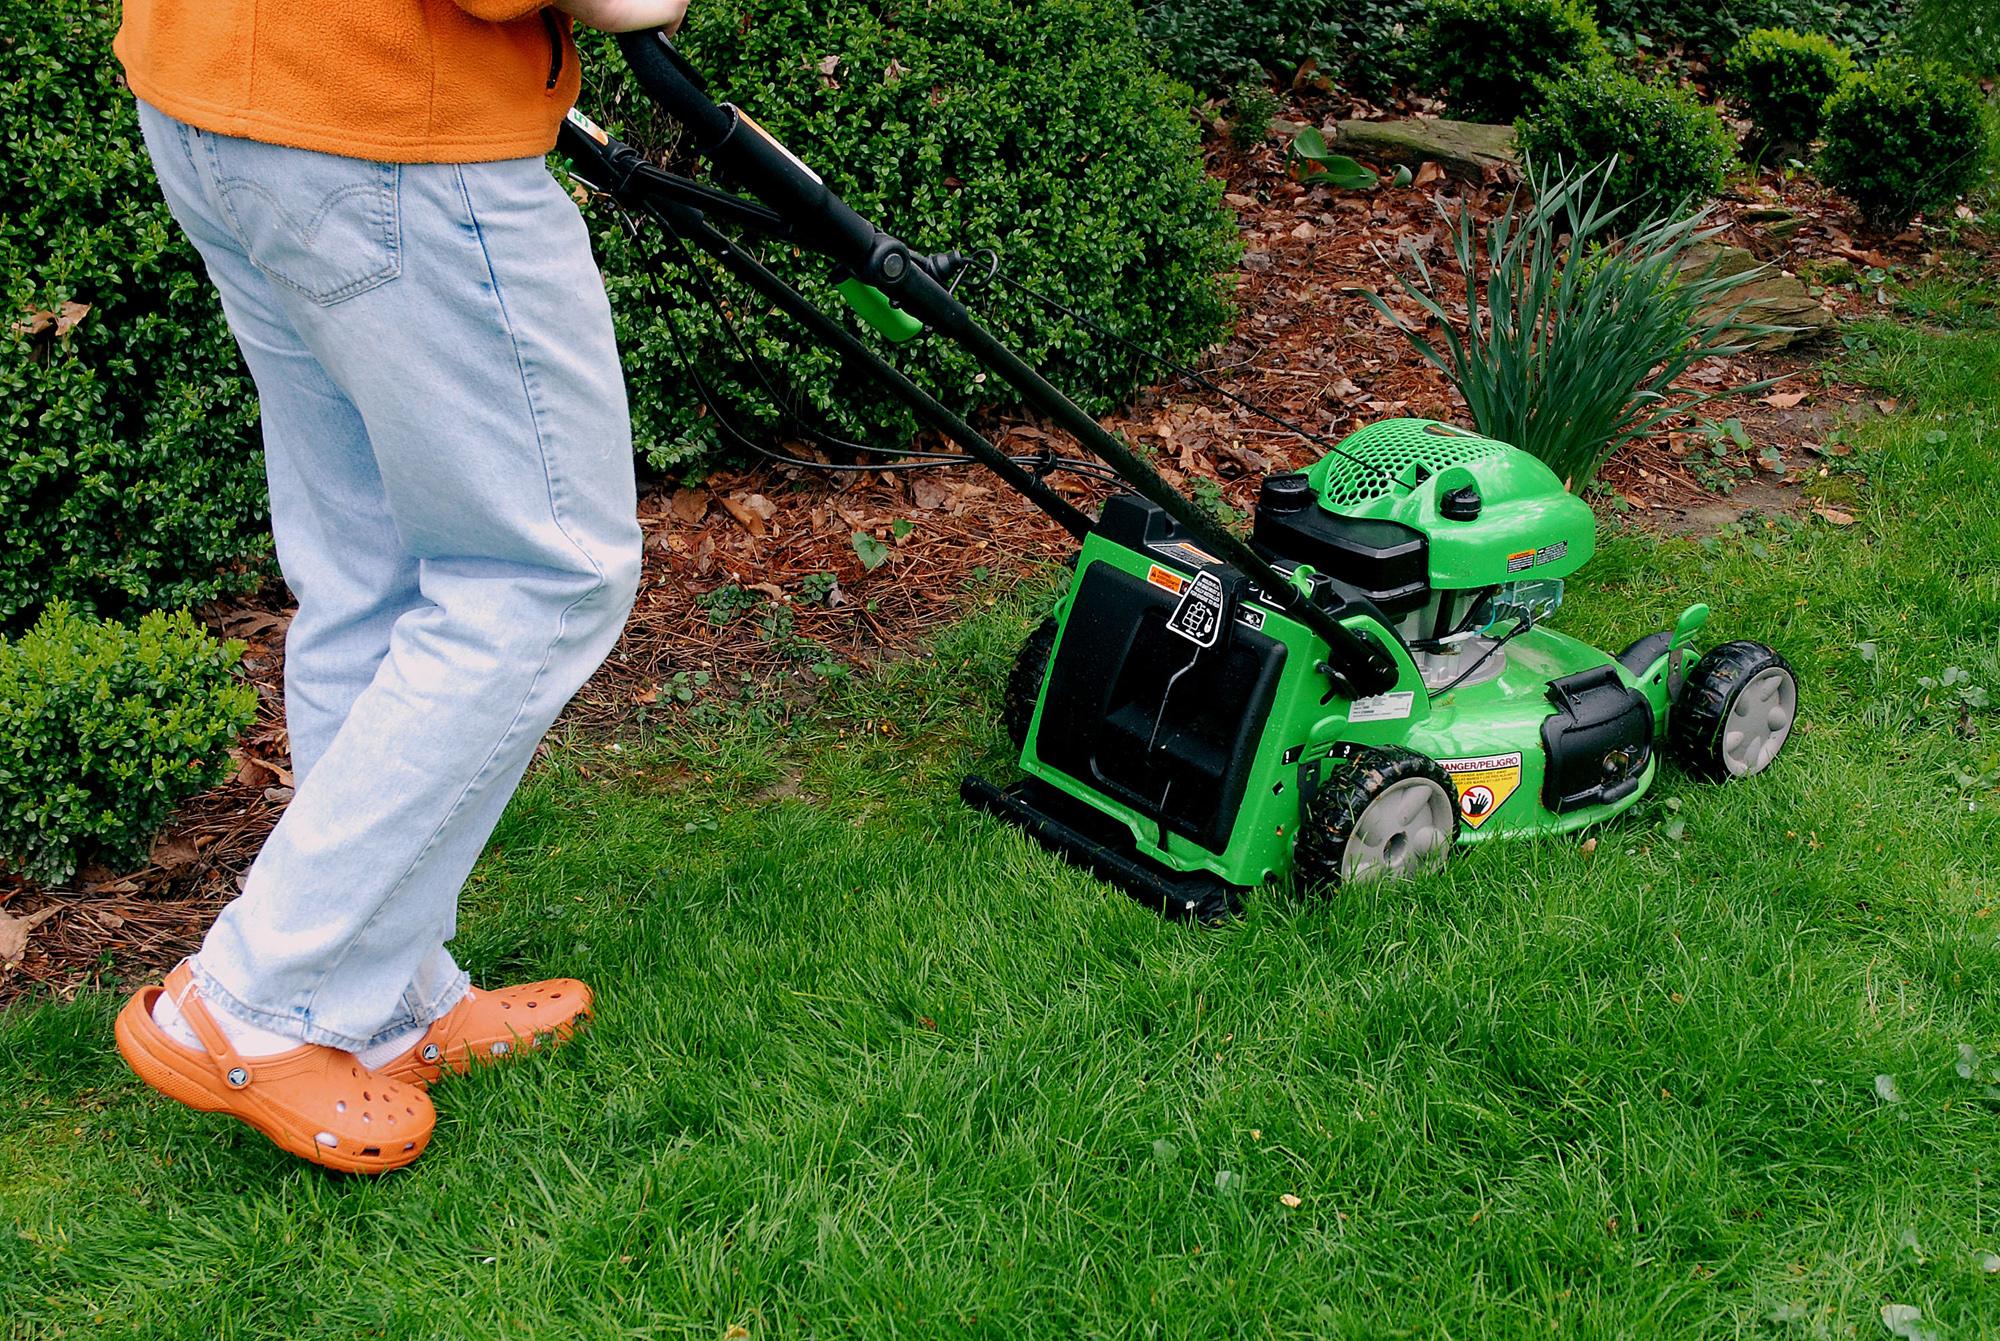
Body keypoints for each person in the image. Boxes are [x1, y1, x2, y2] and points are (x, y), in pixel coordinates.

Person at [110, 0, 688, 1175]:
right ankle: (255, 995)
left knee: (370, 570)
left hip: (221, 88)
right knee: (545, 574)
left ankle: (378, 1000)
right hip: (383, 120)